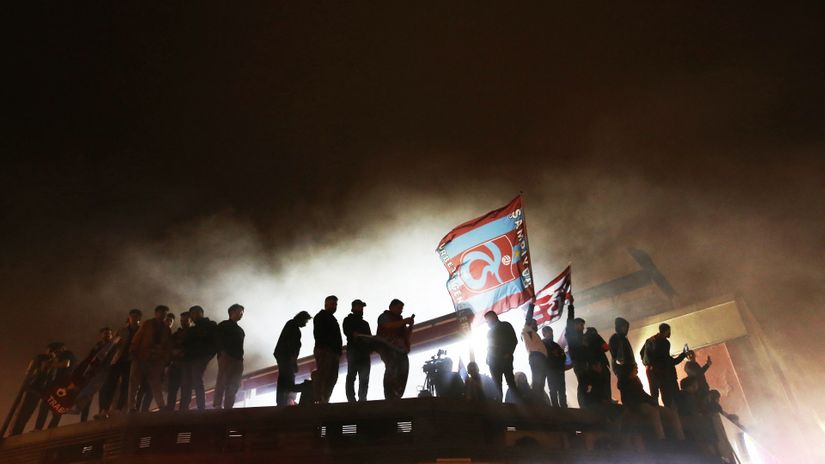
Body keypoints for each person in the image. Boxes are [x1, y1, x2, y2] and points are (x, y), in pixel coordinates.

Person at [618, 366, 685, 441]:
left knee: (671, 413)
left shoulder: (636, 380)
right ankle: (661, 438)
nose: (637, 370)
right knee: (654, 412)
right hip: (638, 405)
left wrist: (652, 400)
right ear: (629, 371)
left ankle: (681, 438)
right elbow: (629, 399)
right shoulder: (624, 385)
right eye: (635, 369)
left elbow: (642, 393)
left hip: (647, 403)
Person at [97, 309, 142, 418]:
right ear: (129, 318)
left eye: (136, 317)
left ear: (139, 318)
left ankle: (118, 409)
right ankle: (104, 410)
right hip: (117, 360)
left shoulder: (142, 331)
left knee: (125, 386)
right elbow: (112, 346)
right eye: (132, 316)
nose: (134, 319)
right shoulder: (122, 330)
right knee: (108, 385)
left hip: (131, 362)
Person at [10, 343, 63, 435]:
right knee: (24, 412)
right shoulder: (41, 358)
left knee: (28, 412)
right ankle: (15, 432)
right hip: (33, 388)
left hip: (39, 390)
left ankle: (16, 432)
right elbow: (37, 372)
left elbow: (50, 377)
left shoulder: (53, 362)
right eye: (55, 351)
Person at [127, 305, 172, 412]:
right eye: (161, 313)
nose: (163, 315)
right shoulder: (147, 324)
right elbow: (138, 337)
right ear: (156, 313)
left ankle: (161, 406)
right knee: (134, 383)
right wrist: (133, 350)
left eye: (164, 314)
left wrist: (165, 359)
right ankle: (131, 407)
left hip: (156, 360)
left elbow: (168, 346)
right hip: (141, 356)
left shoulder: (166, 329)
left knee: (155, 383)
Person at [641, 323, 687, 408]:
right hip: (662, 373)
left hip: (650, 372)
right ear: (666, 331)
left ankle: (658, 413)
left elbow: (642, 353)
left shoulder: (649, 340)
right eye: (669, 331)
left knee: (654, 394)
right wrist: (683, 355)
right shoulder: (664, 343)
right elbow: (668, 361)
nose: (670, 333)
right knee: (667, 397)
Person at [180, 305, 217, 411]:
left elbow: (214, 343)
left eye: (196, 313)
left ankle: (201, 407)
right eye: (192, 314)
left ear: (202, 313)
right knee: (187, 383)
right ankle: (185, 408)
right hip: (189, 359)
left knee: (196, 381)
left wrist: (207, 357)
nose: (194, 315)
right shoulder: (192, 330)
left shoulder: (211, 325)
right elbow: (185, 345)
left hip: (199, 358)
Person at [376, 298, 414, 399]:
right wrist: (404, 321)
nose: (401, 310)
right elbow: (387, 326)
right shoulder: (384, 316)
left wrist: (410, 327)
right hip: (388, 347)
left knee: (403, 370)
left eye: (402, 308)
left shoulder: (400, 321)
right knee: (392, 368)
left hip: (401, 350)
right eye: (399, 308)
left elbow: (407, 336)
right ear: (391, 307)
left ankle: (398, 394)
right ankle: (389, 395)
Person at [273, 311, 312, 405]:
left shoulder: (291, 324)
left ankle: (283, 401)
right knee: (287, 379)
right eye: (306, 321)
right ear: (301, 319)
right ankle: (286, 400)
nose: (305, 324)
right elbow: (290, 345)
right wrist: (293, 360)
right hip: (286, 357)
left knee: (285, 379)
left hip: (284, 357)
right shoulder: (293, 326)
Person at [35, 342, 76, 430]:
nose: (54, 354)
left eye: (54, 351)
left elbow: (66, 364)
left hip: (62, 383)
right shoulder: (62, 356)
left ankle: (41, 428)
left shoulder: (67, 353)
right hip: (60, 384)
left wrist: (49, 364)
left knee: (48, 405)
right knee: (53, 406)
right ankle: (49, 428)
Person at [213, 304, 245, 409]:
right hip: (227, 357)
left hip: (238, 359)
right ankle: (217, 404)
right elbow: (217, 340)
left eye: (242, 313)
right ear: (233, 312)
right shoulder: (223, 325)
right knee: (222, 381)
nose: (241, 314)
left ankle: (228, 406)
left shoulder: (240, 330)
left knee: (234, 384)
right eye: (240, 312)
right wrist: (222, 353)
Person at [484, 311, 519, 402]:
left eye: (487, 320)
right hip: (493, 362)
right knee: (497, 384)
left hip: (505, 359)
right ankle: (499, 405)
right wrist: (488, 358)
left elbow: (514, 340)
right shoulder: (489, 332)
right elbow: (489, 346)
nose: (487, 322)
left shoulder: (505, 325)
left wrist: (509, 353)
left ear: (493, 317)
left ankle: (517, 404)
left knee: (510, 382)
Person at [313, 296, 342, 404]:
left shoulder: (331, 319)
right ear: (326, 304)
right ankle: (320, 399)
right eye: (332, 304)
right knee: (325, 375)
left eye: (335, 304)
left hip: (332, 352)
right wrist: (328, 347)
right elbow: (319, 335)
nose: (334, 306)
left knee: (332, 377)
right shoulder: (321, 317)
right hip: (325, 350)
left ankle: (324, 399)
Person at [342, 299, 372, 402]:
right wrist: (354, 335)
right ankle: (351, 399)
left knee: (364, 377)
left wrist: (369, 345)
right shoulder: (348, 320)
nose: (361, 308)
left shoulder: (365, 323)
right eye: (359, 306)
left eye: (362, 307)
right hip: (354, 352)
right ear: (353, 307)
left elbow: (369, 338)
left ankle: (362, 398)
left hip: (363, 353)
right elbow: (348, 332)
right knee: (352, 376)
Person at [564, 304, 589, 406]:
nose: (583, 327)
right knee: (583, 383)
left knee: (587, 383)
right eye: (581, 325)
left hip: (585, 362)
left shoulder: (582, 336)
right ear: (575, 325)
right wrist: (571, 306)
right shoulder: (571, 334)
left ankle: (588, 403)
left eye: (583, 325)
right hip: (578, 362)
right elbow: (570, 320)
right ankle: (583, 405)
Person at [165, 311, 190, 410]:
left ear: (190, 321)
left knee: (185, 390)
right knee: (173, 390)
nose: (183, 322)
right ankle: (171, 411)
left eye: (185, 320)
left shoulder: (193, 333)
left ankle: (182, 411)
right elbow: (169, 348)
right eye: (182, 320)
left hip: (186, 366)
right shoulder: (176, 335)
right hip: (176, 365)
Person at [521, 304, 548, 399]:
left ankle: (539, 401)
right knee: (537, 381)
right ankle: (536, 402)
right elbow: (528, 319)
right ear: (530, 324)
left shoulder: (534, 334)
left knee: (541, 382)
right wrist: (531, 305)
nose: (537, 325)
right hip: (536, 357)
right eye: (535, 323)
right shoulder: (527, 330)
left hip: (541, 358)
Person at [541, 326, 567, 407]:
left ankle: (564, 407)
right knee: (553, 390)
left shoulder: (555, 345)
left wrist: (557, 356)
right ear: (544, 333)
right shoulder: (541, 345)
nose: (551, 334)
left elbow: (563, 356)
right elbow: (544, 358)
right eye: (549, 332)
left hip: (559, 370)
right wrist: (554, 355)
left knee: (562, 390)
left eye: (552, 332)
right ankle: (556, 408)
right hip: (550, 371)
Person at [584, 327, 611, 402]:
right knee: (605, 382)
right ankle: (608, 400)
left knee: (595, 383)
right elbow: (606, 347)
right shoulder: (596, 336)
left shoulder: (583, 338)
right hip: (600, 363)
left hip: (590, 365)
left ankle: (599, 400)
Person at [609, 317, 636, 388]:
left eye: (626, 327)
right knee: (629, 390)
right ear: (619, 327)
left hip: (626, 371)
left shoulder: (622, 338)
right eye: (624, 327)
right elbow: (619, 357)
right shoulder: (617, 338)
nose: (626, 329)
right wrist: (628, 368)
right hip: (625, 371)